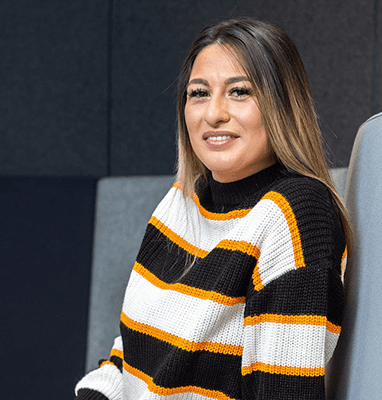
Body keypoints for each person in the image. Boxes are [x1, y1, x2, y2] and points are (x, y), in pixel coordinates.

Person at [75, 18, 351, 400]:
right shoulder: (183, 199)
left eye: (239, 92)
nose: (213, 113)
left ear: (282, 104)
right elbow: (132, 355)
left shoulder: (296, 214)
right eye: (199, 93)